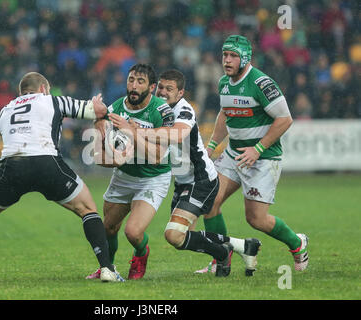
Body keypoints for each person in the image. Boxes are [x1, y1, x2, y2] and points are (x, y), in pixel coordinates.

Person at [0, 72, 124, 285]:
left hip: (13, 167)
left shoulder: (5, 110)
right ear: (44, 88)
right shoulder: (52, 100)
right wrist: (96, 106)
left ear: (21, 93)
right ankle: (107, 269)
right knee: (88, 209)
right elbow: (99, 110)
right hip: (47, 164)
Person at [110, 69, 261, 277]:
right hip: (182, 181)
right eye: (161, 87)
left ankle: (222, 255)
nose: (163, 92)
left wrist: (135, 131)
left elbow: (175, 134)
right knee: (184, 238)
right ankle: (241, 246)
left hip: (200, 180)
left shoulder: (184, 110)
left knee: (173, 235)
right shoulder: (155, 109)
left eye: (169, 89)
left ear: (180, 93)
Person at [200, 35, 309, 273]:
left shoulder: (261, 83)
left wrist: (258, 149)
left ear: (245, 58)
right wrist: (211, 147)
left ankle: (297, 243)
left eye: (233, 56)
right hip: (233, 154)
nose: (227, 61)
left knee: (256, 219)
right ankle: (221, 258)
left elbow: (285, 119)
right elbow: (224, 113)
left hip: (263, 157)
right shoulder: (224, 83)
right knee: (210, 203)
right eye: (224, 55)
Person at [86, 64, 174, 280]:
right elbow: (100, 159)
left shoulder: (162, 112)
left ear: (152, 87)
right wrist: (102, 135)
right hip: (124, 177)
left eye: (140, 81)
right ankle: (108, 267)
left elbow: (155, 157)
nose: (133, 86)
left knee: (133, 232)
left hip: (153, 179)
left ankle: (141, 253)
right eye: (131, 80)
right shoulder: (114, 109)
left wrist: (131, 132)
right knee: (108, 228)